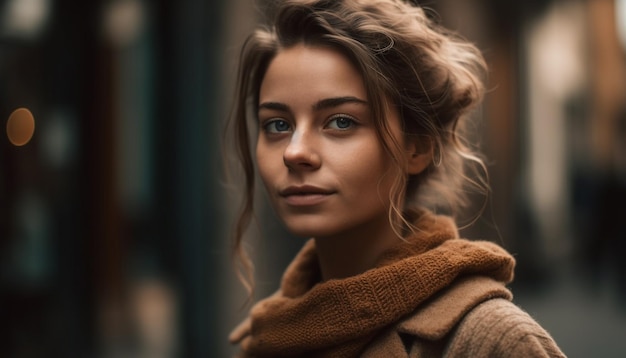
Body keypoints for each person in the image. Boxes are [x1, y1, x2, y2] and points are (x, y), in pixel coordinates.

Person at [226, 0, 566, 356]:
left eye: (341, 121)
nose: (294, 152)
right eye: (277, 125)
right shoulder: (268, 340)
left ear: (416, 147)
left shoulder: (493, 341)